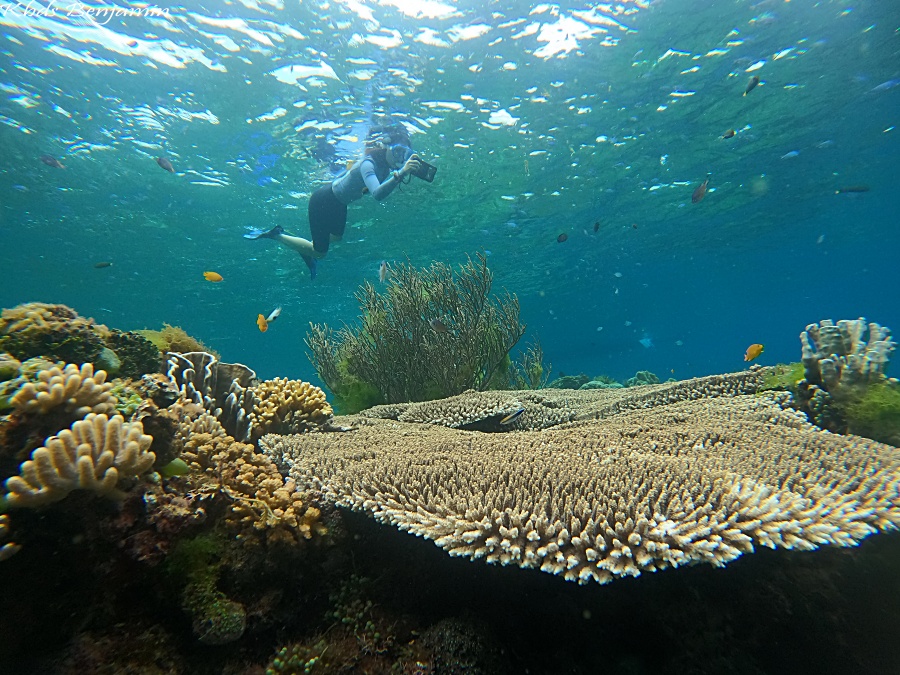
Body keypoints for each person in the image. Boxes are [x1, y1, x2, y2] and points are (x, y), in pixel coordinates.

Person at [244, 128, 423, 280]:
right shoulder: (369, 164)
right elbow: (377, 194)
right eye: (398, 151)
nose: (400, 158)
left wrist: (401, 173)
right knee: (320, 253)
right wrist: (401, 173)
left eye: (404, 154)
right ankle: (276, 235)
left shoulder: (384, 168)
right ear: (386, 147)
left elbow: (371, 187)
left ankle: (304, 247)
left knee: (335, 238)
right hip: (324, 200)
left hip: (339, 203)